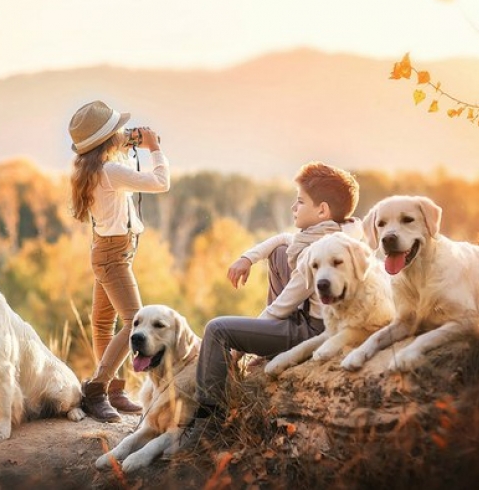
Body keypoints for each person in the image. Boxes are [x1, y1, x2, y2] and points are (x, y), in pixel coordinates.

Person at [181, 161, 361, 444]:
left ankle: (210, 420)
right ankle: (265, 349)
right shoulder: (336, 235)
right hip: (313, 317)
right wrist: (248, 257)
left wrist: (240, 350)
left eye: (300, 201)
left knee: (217, 329)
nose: (293, 207)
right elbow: (283, 239)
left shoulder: (315, 254)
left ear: (322, 210)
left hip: (313, 330)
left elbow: (282, 306)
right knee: (279, 251)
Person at [68, 100, 170, 423]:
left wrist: (125, 141)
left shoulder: (91, 168)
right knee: (134, 323)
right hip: (114, 256)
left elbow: (110, 156)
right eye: (118, 131)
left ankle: (114, 391)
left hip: (104, 250)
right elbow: (160, 183)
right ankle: (96, 390)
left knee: (102, 324)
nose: (124, 135)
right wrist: (153, 148)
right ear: (108, 140)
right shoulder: (111, 171)